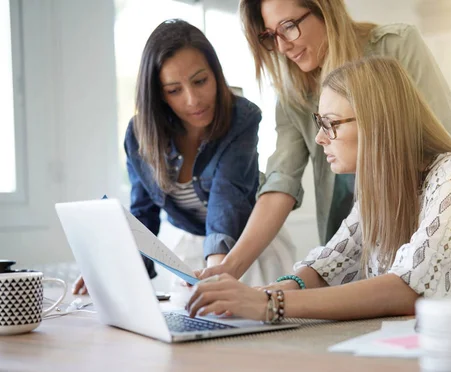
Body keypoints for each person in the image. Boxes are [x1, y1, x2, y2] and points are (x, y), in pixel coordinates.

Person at [197, 0, 451, 287]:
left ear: (323, 9)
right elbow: (281, 182)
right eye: (270, 36)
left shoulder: (395, 47)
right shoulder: (292, 92)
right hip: (359, 248)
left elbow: (449, 147)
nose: (283, 46)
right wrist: (231, 269)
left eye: (289, 26)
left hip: (422, 241)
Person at [186, 56, 451, 321]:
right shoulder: (377, 190)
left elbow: (410, 290)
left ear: (377, 122)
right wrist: (264, 293)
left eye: (331, 123)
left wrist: (271, 304)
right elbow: (326, 268)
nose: (320, 138)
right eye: (319, 123)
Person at [72, 19, 294, 294]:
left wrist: (217, 273)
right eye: (174, 90)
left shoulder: (242, 117)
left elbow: (227, 200)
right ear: (159, 95)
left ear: (216, 74)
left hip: (248, 248)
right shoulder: (139, 134)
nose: (193, 100)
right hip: (189, 250)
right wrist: (110, 270)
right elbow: (143, 216)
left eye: (200, 81)